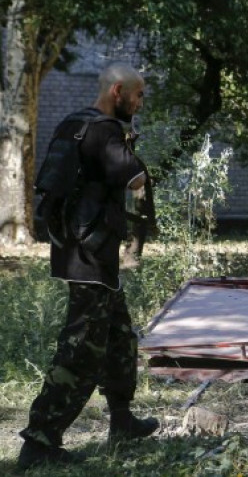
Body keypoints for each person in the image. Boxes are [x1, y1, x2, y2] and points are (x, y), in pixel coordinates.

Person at [17, 65, 158, 470]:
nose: (140, 102)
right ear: (118, 91)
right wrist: (132, 149)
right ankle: (40, 439)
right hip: (91, 257)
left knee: (118, 338)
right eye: (138, 95)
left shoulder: (72, 124)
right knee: (81, 350)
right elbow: (135, 180)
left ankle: (122, 420)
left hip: (76, 250)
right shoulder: (105, 130)